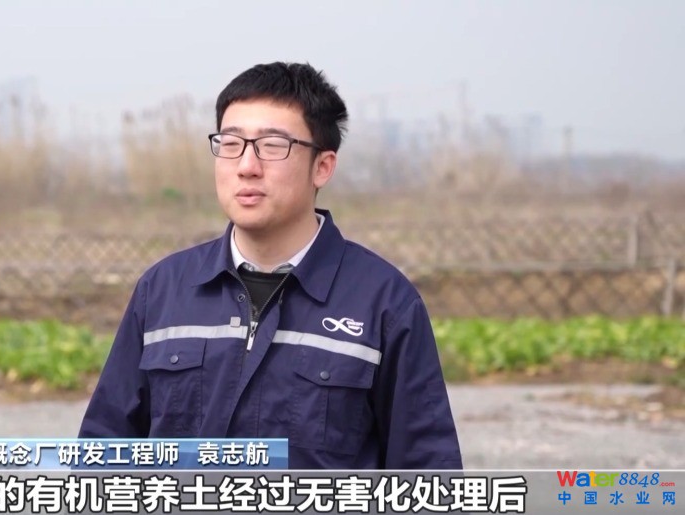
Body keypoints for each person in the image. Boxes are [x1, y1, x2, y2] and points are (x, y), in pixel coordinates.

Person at [79, 62, 462, 469]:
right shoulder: (163, 291)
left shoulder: (384, 303)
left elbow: (427, 474)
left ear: (323, 166)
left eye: (273, 145)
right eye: (231, 143)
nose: (247, 166)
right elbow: (102, 454)